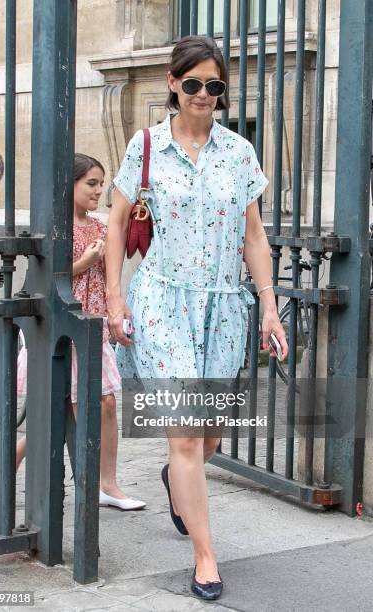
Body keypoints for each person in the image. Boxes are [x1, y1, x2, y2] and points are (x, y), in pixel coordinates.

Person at [105, 35, 288, 601]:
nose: (203, 95)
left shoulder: (240, 151)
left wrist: (268, 304)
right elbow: (115, 224)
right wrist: (115, 297)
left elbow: (252, 233)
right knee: (185, 435)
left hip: (225, 307)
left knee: (208, 437)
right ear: (172, 84)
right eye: (193, 84)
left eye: (214, 86)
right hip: (162, 303)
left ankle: (175, 481)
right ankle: (205, 557)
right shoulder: (146, 147)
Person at [16, 154, 145, 511]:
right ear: (69, 184)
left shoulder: (100, 227)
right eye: (91, 183)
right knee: (62, 409)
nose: (98, 190)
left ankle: (108, 484)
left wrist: (116, 303)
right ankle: (18, 460)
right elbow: (45, 281)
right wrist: (84, 262)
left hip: (94, 324)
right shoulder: (54, 226)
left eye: (101, 184)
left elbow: (109, 275)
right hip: (61, 328)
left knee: (105, 403)